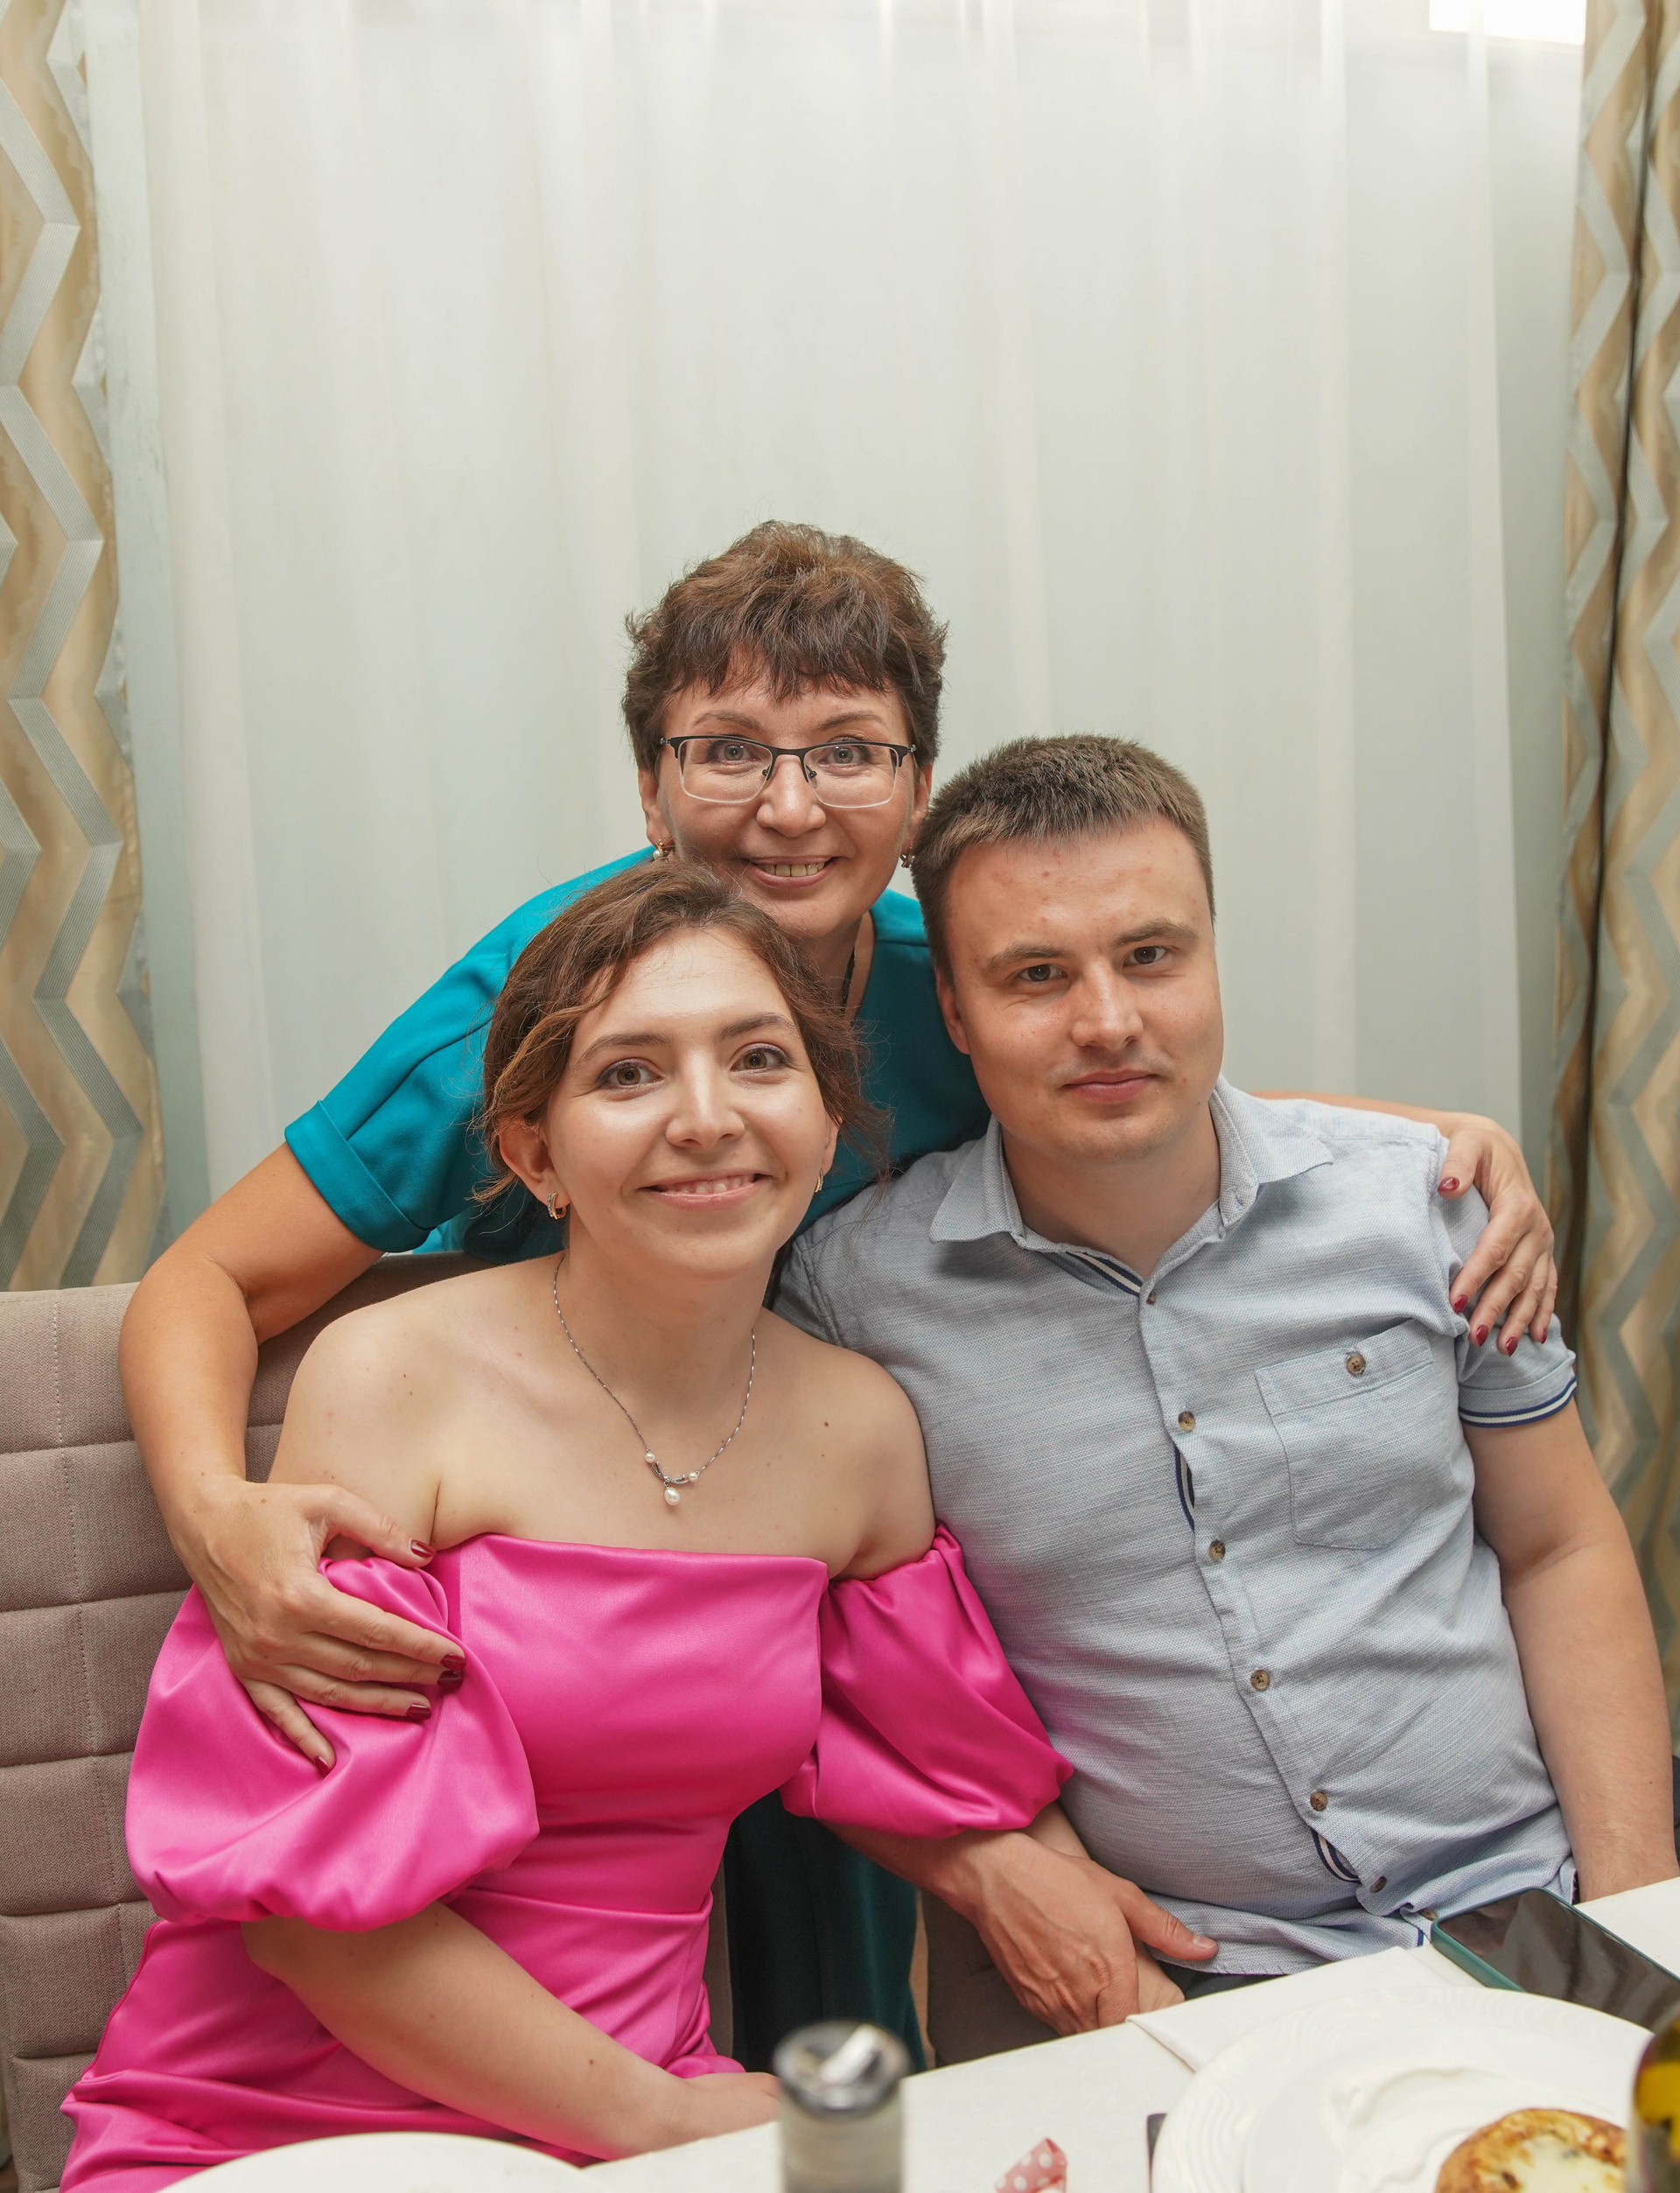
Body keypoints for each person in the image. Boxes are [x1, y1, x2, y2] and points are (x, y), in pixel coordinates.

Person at [119, 524, 1561, 2060]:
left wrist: (1429, 1143)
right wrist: (214, 1511)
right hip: (563, 1600)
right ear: (652, 787)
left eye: (848, 751)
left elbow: (1134, 1080)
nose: (791, 806)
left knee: (848, 2036)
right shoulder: (542, 999)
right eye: (728, 750)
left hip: (826, 1565)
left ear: (916, 785)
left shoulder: (956, 974)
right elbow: (208, 1275)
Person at [63, 862, 1113, 2189]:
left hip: (648, 2110)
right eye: (628, 1074)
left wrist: (1123, 1970)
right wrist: (663, 2125)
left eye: (759, 1060)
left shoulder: (861, 1434)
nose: (707, 1118)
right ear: (533, 1155)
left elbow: (943, 1764)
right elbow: (307, 1919)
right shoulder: (398, 1379)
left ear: (828, 1122)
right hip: (288, 2110)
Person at [778, 734, 1680, 2063]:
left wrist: (1638, 1915)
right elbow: (802, 1647)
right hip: (1182, 1972)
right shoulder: (853, 1297)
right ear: (956, 1015)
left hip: (1524, 1893)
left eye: (1151, 956)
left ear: (1211, 956)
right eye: (1036, 976)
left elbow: (1558, 1547)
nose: (1107, 1021)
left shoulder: (1428, 1204)